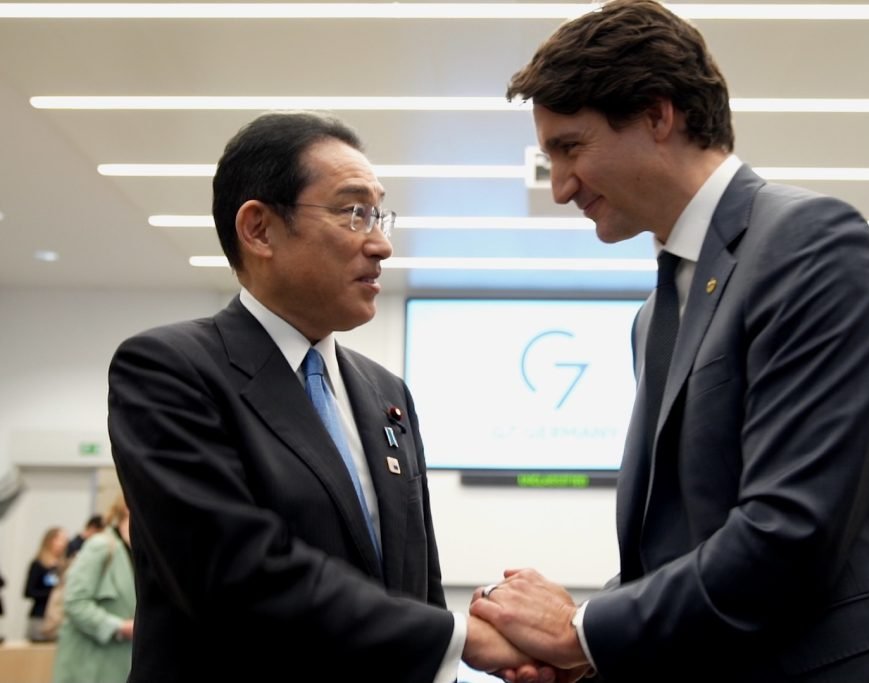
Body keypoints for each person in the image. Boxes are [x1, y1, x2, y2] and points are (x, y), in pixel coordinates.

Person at [470, 1, 869, 681]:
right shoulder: (655, 313)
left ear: (657, 116)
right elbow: (683, 544)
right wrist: (594, 653)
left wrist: (582, 631)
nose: (561, 187)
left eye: (570, 148)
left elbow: (789, 533)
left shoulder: (811, 244)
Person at [107, 111, 543, 682]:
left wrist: (454, 653)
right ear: (259, 229)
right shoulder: (170, 371)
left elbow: (416, 583)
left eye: (379, 213)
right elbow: (236, 576)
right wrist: (461, 639)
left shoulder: (386, 393)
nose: (381, 244)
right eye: (353, 212)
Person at [51, 496, 135, 683]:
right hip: (88, 668)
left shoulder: (134, 553)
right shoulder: (102, 546)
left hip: (115, 666)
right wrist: (119, 627)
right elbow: (74, 601)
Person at [23, 526, 67, 642]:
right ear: (50, 541)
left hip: (57, 618)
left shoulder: (62, 566)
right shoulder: (38, 564)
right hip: (40, 617)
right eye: (60, 539)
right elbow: (28, 592)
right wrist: (52, 594)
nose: (63, 543)